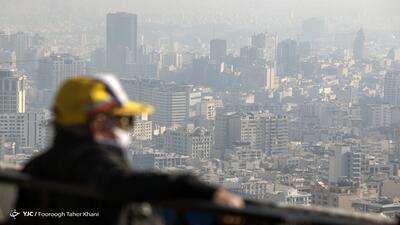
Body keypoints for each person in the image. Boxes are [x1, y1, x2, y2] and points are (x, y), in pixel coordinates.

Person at [12, 75, 243, 225]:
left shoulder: (37, 166)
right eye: (123, 122)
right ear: (99, 124)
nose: (126, 130)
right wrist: (194, 186)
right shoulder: (91, 161)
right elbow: (118, 182)